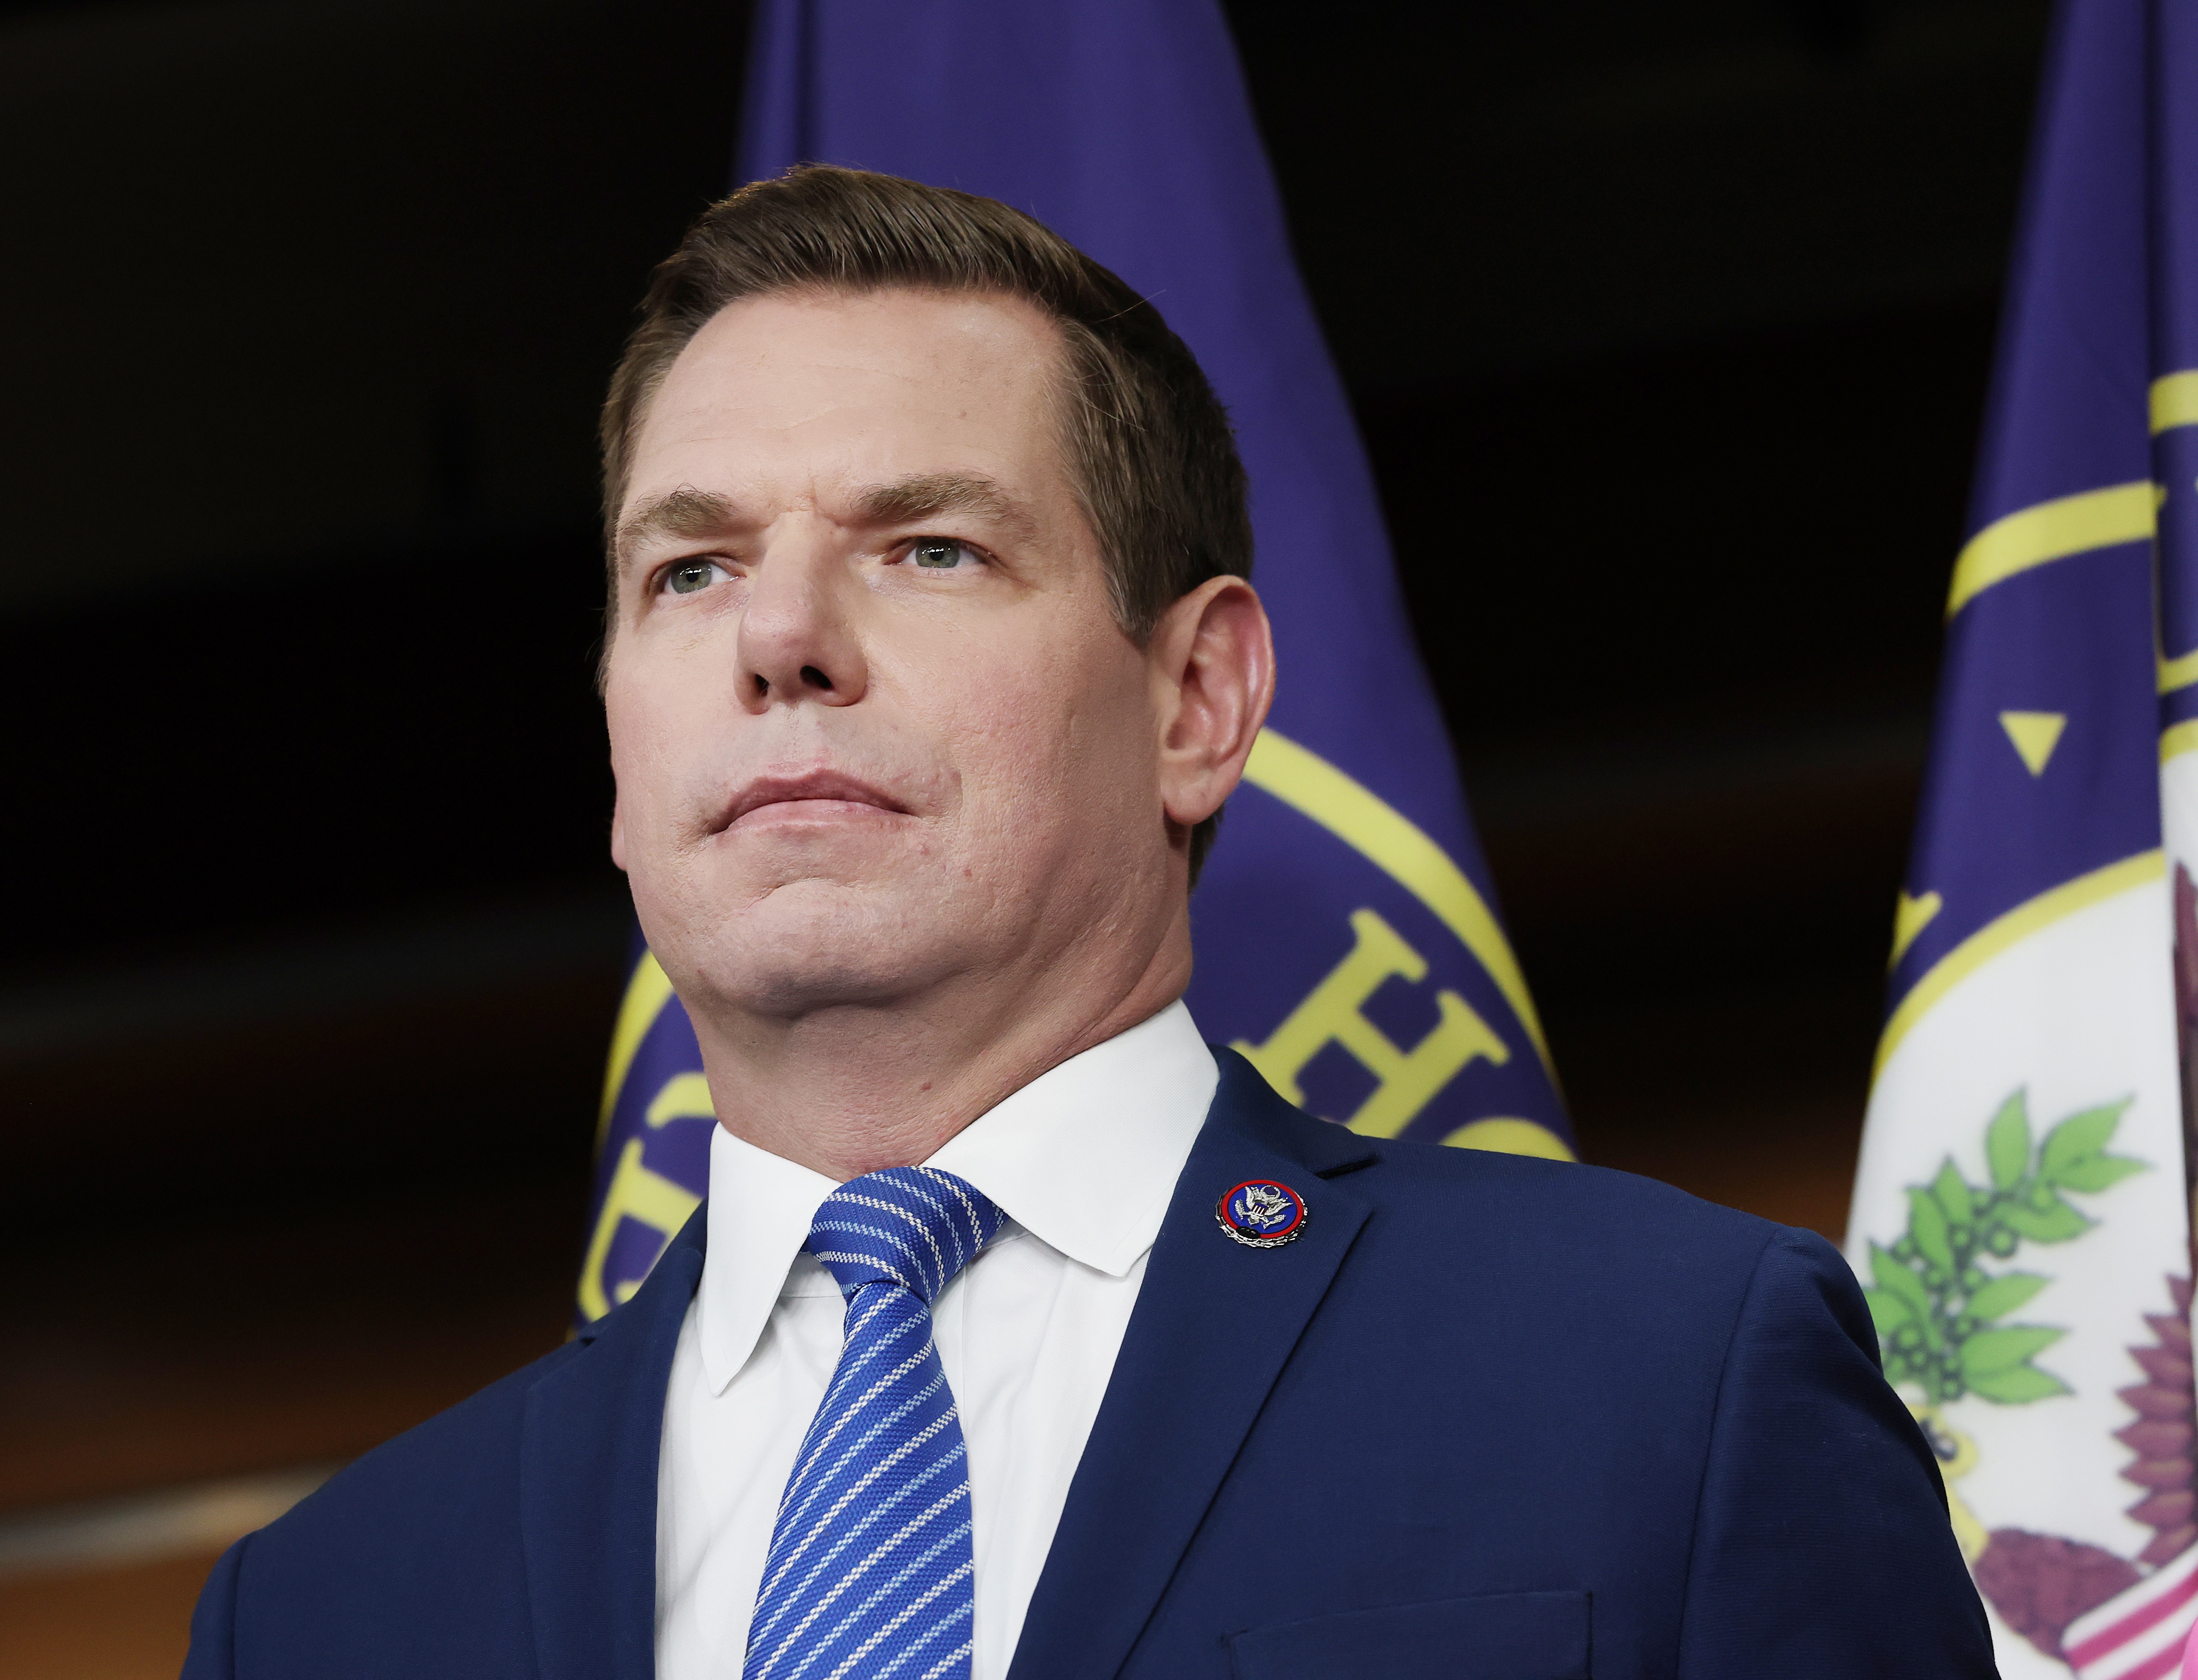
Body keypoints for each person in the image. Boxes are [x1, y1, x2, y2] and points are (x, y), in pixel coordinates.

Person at [181, 166, 1995, 1680]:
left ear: (1197, 697)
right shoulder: (328, 1611)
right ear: (616, 740)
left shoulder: (1666, 1372)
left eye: (928, 547)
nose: (778, 635)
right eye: (691, 568)